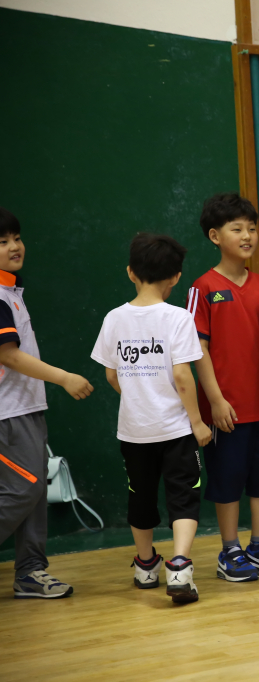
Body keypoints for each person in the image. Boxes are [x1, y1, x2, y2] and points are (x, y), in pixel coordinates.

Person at [91, 233, 211, 604]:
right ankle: (179, 566)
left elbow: (112, 375)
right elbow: (182, 376)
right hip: (175, 429)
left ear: (131, 272)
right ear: (175, 277)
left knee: (140, 496)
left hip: (133, 430)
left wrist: (139, 396)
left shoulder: (115, 318)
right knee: (183, 497)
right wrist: (197, 422)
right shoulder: (178, 317)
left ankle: (146, 566)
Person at [188, 193, 259, 582]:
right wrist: (215, 400)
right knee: (228, 481)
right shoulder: (203, 287)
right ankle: (230, 550)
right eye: (237, 229)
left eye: (252, 228)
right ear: (215, 236)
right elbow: (196, 349)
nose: (248, 235)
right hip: (226, 410)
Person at [0, 207, 93, 599]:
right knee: (24, 489)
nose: (14, 246)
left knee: (34, 493)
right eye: (2, 242)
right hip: (8, 414)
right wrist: (64, 378)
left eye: (16, 238)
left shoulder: (11, 293)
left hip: (27, 409)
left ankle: (30, 572)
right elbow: (9, 355)